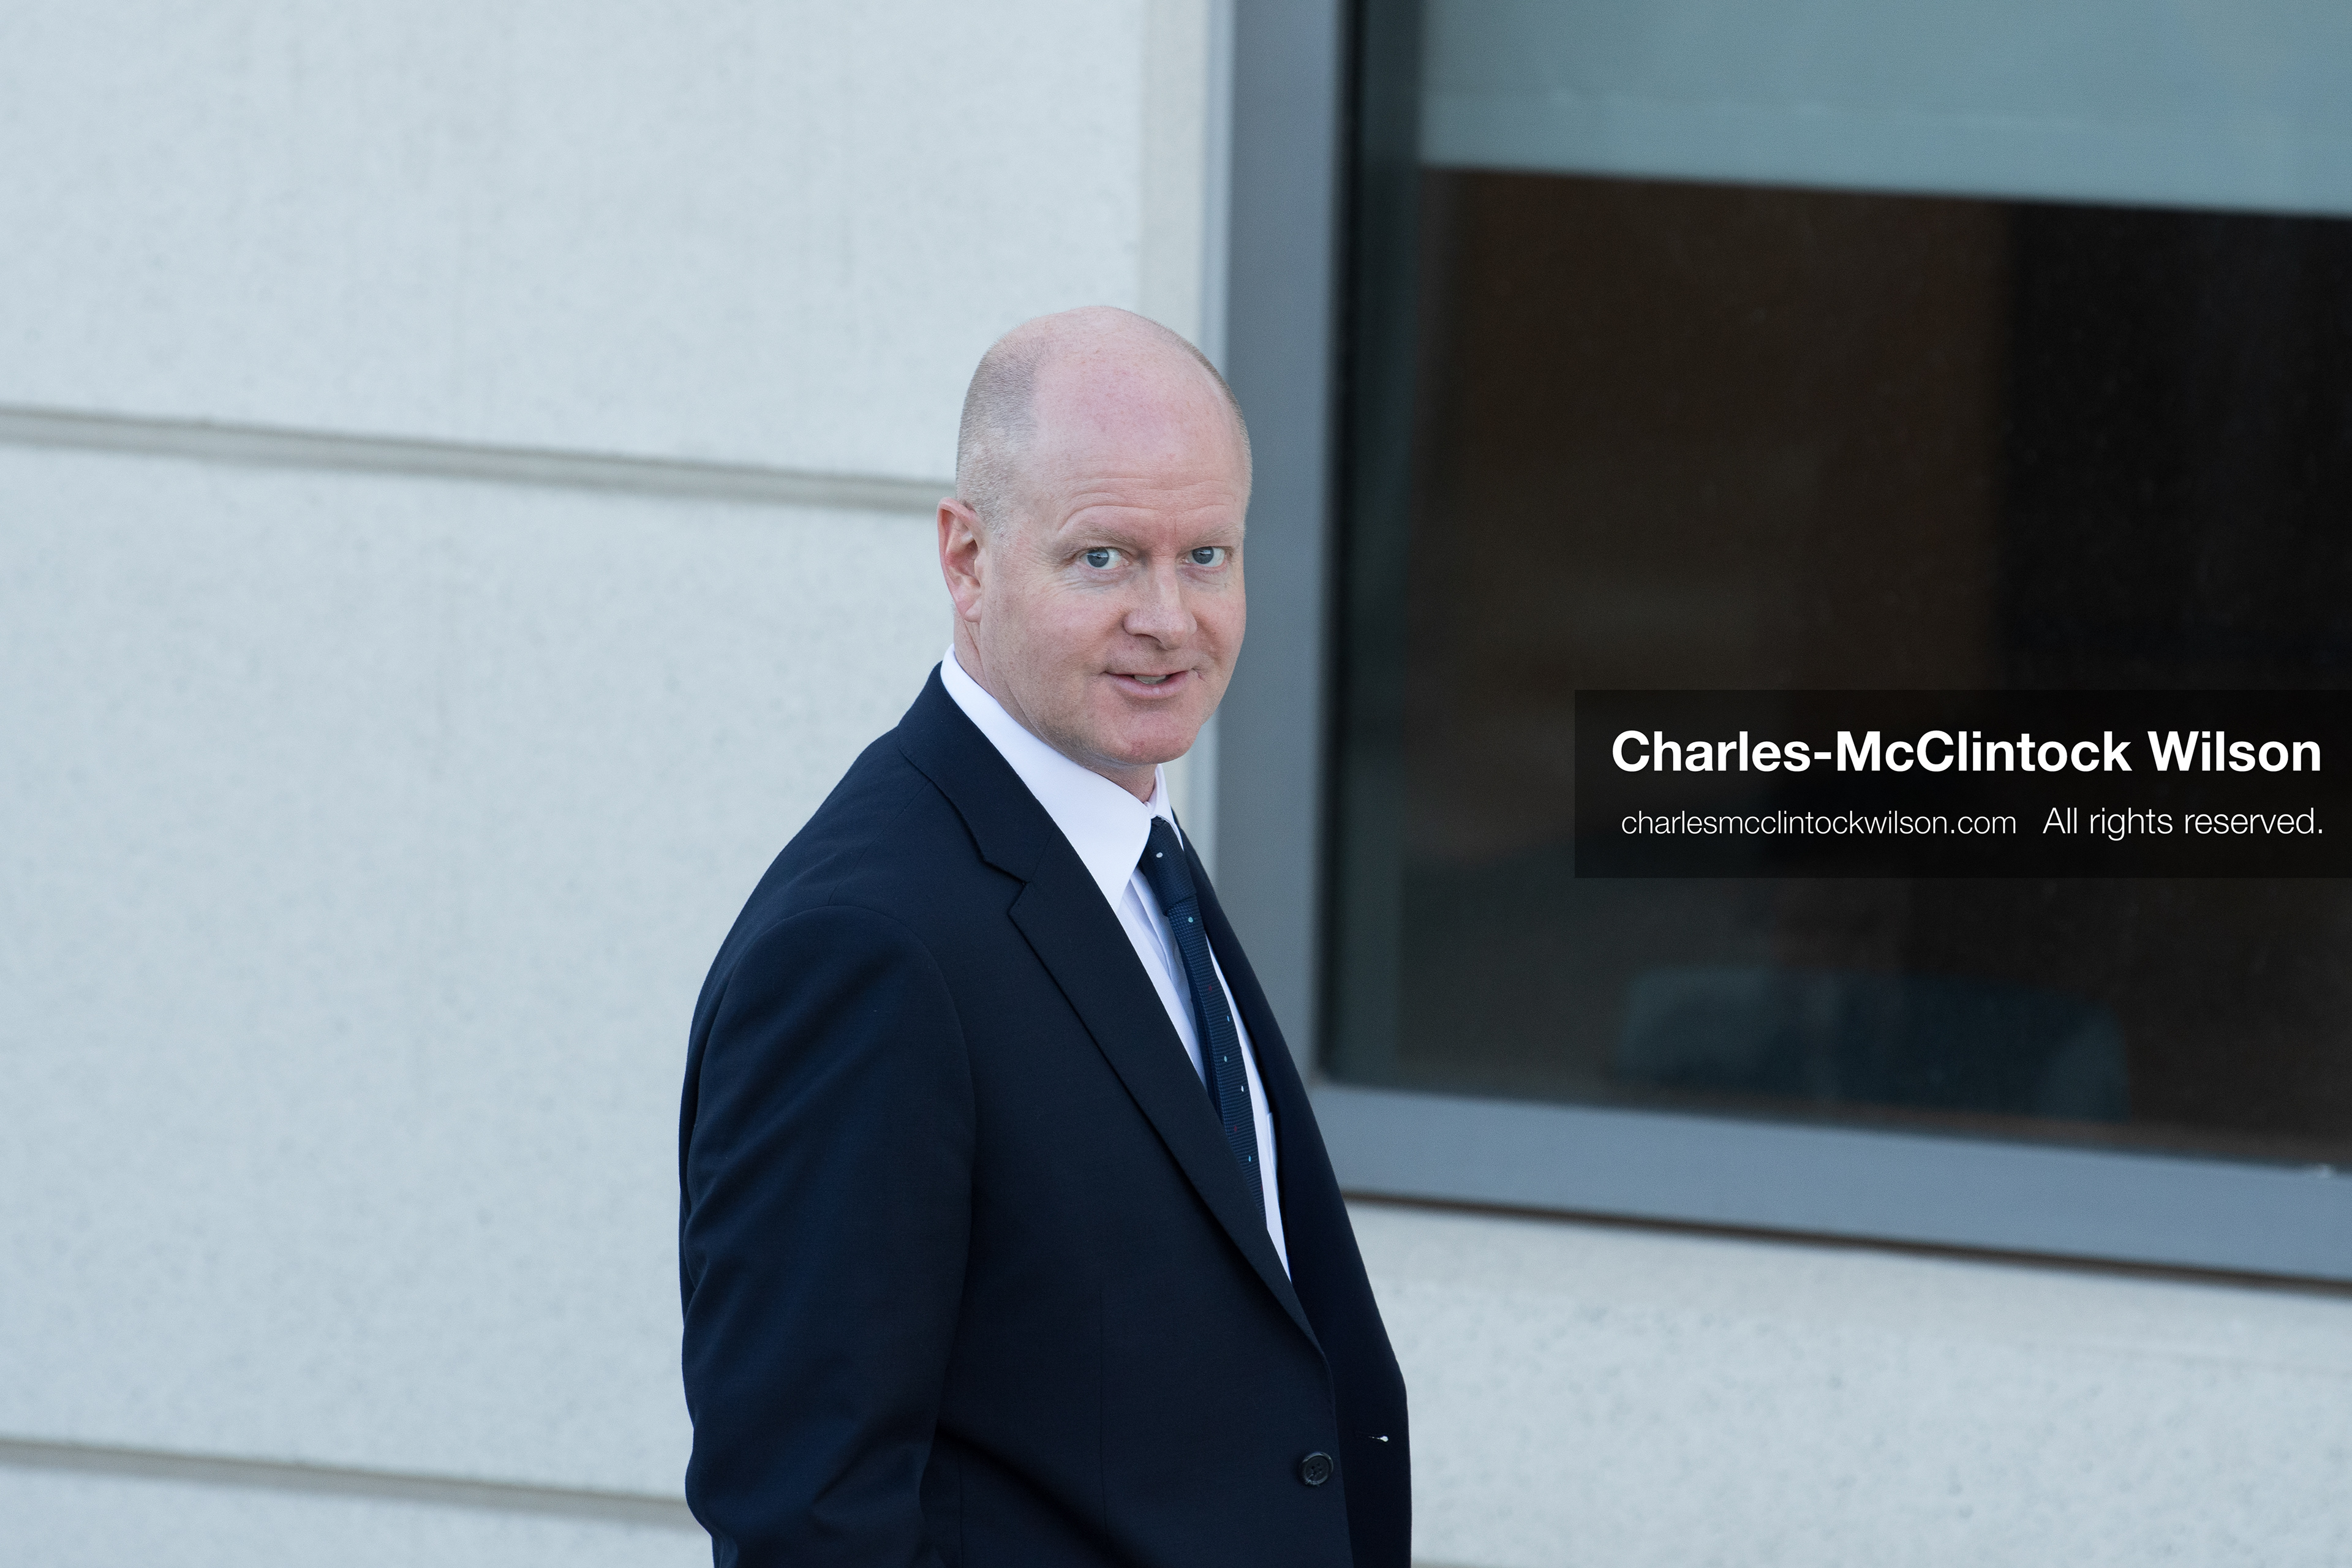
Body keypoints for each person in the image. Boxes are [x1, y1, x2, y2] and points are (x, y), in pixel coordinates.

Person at [677, 306, 1410, 1567]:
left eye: (1208, 555)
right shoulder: (865, 950)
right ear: (968, 559)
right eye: (1104, 559)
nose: (1170, 619)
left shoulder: (1135, 857)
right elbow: (806, 1517)